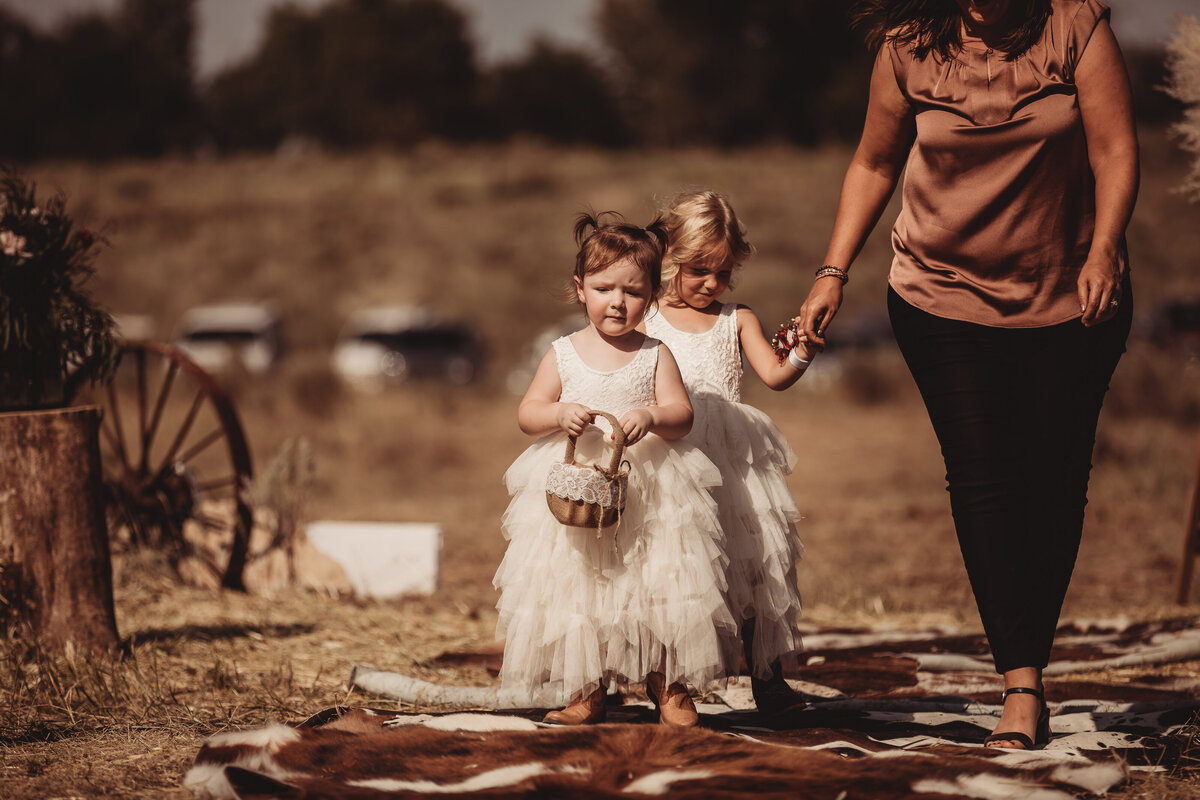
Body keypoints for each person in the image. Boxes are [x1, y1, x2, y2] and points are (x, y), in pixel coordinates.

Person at [796, 0, 1137, 750]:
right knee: (984, 477)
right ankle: (1022, 684)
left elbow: (1114, 150)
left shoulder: (1074, 28)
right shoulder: (908, 45)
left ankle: (1029, 657)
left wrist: (1107, 246)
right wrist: (832, 272)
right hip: (940, 295)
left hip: (1068, 296)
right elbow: (875, 160)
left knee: (1054, 482)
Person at [494, 211, 737, 728]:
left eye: (632, 291)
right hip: (578, 487)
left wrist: (651, 415)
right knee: (578, 585)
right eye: (605, 288)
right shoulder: (562, 353)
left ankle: (668, 684)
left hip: (650, 492)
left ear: (651, 296)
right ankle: (585, 688)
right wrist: (558, 414)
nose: (618, 301)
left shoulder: (655, 353)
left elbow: (682, 415)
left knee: (656, 585)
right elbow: (527, 412)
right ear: (581, 289)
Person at [644, 189, 818, 713]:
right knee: (674, 565)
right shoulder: (644, 318)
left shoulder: (735, 318)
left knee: (752, 565)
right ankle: (669, 676)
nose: (713, 284)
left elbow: (773, 375)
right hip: (669, 461)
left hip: (733, 464)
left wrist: (803, 353)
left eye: (723, 273)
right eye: (699, 271)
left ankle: (766, 675)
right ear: (670, 257)